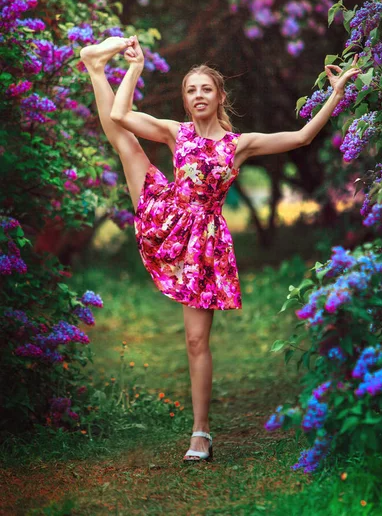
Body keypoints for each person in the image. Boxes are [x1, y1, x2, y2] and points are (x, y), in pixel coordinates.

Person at [81, 35, 361, 463]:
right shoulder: (177, 133)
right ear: (185, 98)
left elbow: (303, 136)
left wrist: (337, 94)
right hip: (166, 212)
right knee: (126, 142)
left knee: (196, 340)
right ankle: (95, 67)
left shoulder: (239, 145)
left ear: (219, 96)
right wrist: (134, 67)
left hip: (204, 243)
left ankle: (201, 433)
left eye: (205, 89)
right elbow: (120, 115)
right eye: (190, 89)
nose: (197, 95)